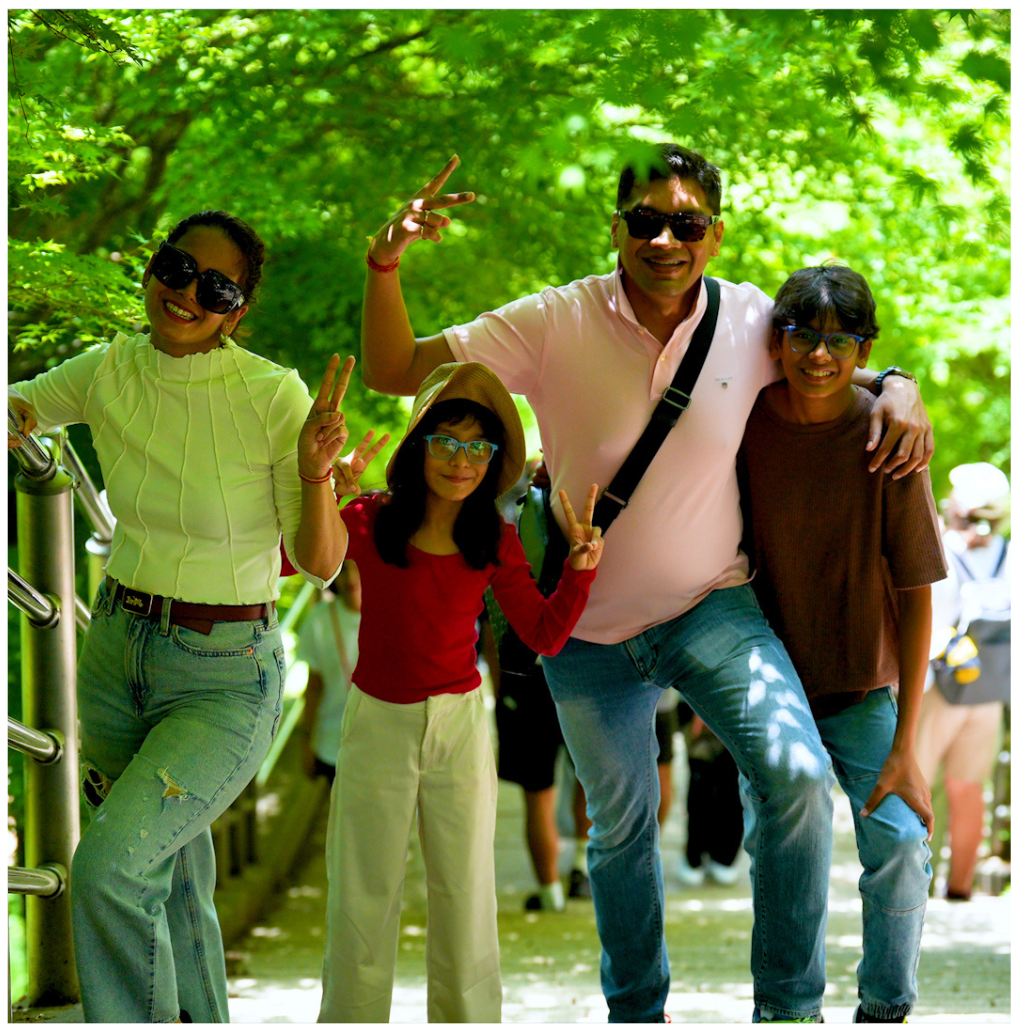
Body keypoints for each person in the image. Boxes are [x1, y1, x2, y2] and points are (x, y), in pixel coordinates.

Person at [357, 146, 934, 1023]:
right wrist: (386, 264)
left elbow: (825, 363)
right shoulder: (554, 320)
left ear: (715, 233)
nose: (666, 237)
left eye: (687, 222)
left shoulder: (748, 319)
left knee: (796, 777)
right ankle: (637, 1013)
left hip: (713, 605)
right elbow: (395, 369)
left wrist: (898, 386)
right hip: (582, 626)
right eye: (646, 220)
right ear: (617, 226)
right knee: (620, 833)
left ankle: (788, 1009)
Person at [7, 211, 382, 1023]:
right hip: (114, 655)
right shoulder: (109, 369)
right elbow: (23, 408)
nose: (186, 296)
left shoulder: (270, 393)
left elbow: (321, 563)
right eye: (176, 269)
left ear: (236, 311)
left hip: (224, 675)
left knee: (110, 870)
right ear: (153, 267)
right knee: (170, 877)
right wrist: (23, 417)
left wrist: (317, 474)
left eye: (215, 288)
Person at [316, 361, 604, 1024]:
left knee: (465, 896)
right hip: (377, 720)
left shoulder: (495, 540)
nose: (460, 459)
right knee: (362, 896)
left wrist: (580, 572)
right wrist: (323, 493)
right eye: (446, 440)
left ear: (493, 460)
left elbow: (543, 633)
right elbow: (291, 559)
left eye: (479, 446)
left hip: (461, 722)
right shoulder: (369, 518)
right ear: (419, 445)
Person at [739, 264, 947, 1023]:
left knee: (898, 844)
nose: (818, 355)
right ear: (778, 339)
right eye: (802, 335)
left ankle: (884, 1009)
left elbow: (916, 590)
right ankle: (789, 1012)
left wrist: (908, 747)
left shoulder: (887, 431)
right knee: (783, 854)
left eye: (840, 340)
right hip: (765, 685)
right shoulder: (745, 422)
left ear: (864, 349)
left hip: (863, 688)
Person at [916, 462, 1011, 901]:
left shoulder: (942, 549)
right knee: (969, 788)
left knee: (918, 782)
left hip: (941, 687)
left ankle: (915, 883)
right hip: (990, 691)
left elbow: (927, 620)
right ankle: (960, 887)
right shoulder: (1010, 554)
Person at [296, 560, 362, 784]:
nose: (351, 578)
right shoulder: (319, 620)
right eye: (343, 569)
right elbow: (314, 687)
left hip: (384, 745)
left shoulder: (393, 613)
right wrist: (306, 743)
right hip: (333, 744)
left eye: (357, 567)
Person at [676, 707, 744, 888]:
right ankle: (694, 855)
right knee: (701, 783)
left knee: (734, 784)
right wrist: (702, 706)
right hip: (703, 697)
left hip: (747, 708)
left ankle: (724, 856)